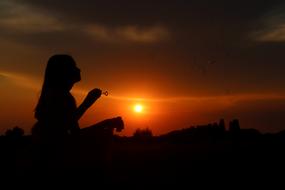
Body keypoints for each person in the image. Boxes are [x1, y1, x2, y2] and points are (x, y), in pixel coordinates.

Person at [31, 54, 123, 171]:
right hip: (56, 163)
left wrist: (107, 122)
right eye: (73, 66)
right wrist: (89, 104)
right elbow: (72, 133)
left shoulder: (54, 95)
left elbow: (71, 129)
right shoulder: (63, 97)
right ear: (63, 72)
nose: (79, 69)